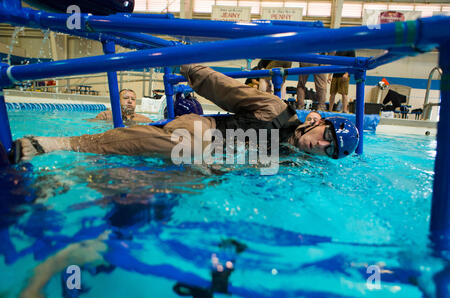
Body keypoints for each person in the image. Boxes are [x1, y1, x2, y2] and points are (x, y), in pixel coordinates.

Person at [12, 64, 359, 163]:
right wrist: (179, 60)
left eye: (331, 151)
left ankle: (74, 180)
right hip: (204, 131)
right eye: (327, 137)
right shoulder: (275, 110)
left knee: (164, 197)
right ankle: (63, 142)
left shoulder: (299, 164)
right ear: (317, 120)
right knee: (190, 147)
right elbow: (219, 86)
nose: (322, 146)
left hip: (216, 165)